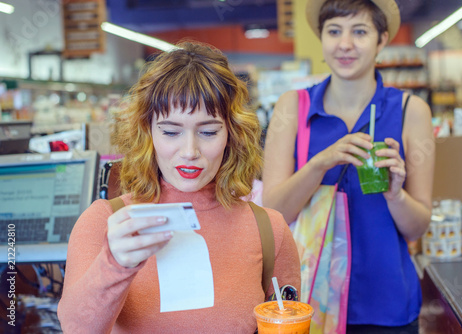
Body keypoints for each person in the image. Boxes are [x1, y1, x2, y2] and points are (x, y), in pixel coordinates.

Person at [57, 41, 301, 333]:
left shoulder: (269, 230)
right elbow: (76, 328)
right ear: (147, 132)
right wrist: (115, 264)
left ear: (232, 134)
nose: (189, 151)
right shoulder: (105, 223)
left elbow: (289, 321)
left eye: (208, 132)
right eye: (171, 131)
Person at [262, 0, 434, 333]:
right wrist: (319, 164)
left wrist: (396, 194)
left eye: (360, 31)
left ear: (382, 40)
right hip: (310, 302)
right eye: (334, 31)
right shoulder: (292, 107)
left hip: (388, 303)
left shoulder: (412, 111)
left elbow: (417, 227)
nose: (345, 44)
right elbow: (274, 213)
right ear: (321, 39)